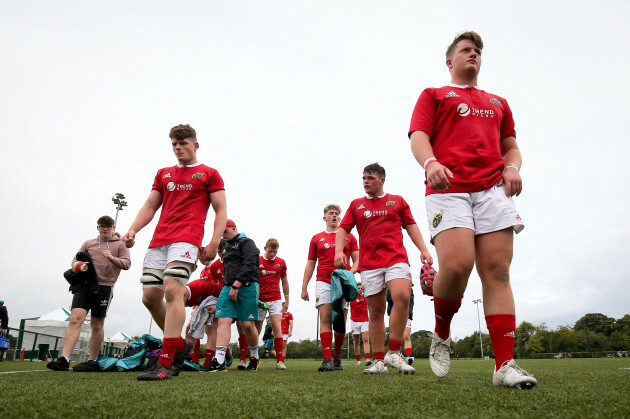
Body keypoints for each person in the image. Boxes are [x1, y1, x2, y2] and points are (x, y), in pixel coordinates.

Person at [408, 31, 537, 389]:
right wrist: (430, 162)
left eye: (478, 51)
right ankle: (442, 331)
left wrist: (513, 167)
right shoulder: (434, 95)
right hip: (448, 188)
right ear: (450, 61)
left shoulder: (498, 102)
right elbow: (419, 135)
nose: (473, 54)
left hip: (493, 190)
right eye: (466, 50)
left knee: (497, 270)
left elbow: (511, 146)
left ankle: (504, 365)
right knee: (458, 264)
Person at [123, 124, 227, 381]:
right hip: (159, 241)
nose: (178, 148)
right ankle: (179, 345)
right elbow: (150, 205)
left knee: (172, 289)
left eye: (183, 143)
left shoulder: (209, 173)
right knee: (149, 297)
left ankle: (166, 361)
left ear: (195, 145)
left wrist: (214, 242)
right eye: (174, 144)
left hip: (187, 240)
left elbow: (221, 210)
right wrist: (133, 229)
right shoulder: (163, 174)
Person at [335, 163, 433, 375]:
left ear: (382, 179)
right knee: (376, 311)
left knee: (402, 296)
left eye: (370, 177)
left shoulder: (397, 201)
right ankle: (379, 361)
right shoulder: (356, 204)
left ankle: (395, 353)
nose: (366, 181)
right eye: (363, 178)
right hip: (369, 263)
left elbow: (411, 226)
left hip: (396, 258)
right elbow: (343, 229)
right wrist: (338, 251)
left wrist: (423, 249)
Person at [47, 215, 131, 372]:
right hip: (84, 285)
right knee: (75, 319)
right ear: (97, 227)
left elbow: (127, 264)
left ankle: (92, 360)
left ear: (113, 227)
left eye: (108, 225)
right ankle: (64, 359)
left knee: (97, 324)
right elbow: (74, 261)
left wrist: (111, 258)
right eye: (102, 225)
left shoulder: (120, 244)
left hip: (105, 287)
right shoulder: (88, 243)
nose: (105, 228)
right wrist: (79, 266)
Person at [302, 204, 359, 372]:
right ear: (325, 217)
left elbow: (358, 261)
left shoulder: (349, 237)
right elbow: (310, 264)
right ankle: (326, 359)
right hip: (323, 282)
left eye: (336, 214)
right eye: (331, 213)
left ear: (340, 218)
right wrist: (304, 287)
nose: (334, 216)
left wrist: (349, 274)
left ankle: (337, 358)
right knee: (326, 318)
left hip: (343, 283)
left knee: (340, 322)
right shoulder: (316, 238)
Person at [204, 219, 261, 372]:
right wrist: (230, 285)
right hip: (228, 287)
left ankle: (254, 357)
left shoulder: (247, 242)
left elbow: (251, 263)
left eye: (225, 231)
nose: (223, 234)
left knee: (247, 325)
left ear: (233, 228)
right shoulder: (226, 247)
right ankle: (219, 360)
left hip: (247, 286)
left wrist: (237, 285)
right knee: (223, 320)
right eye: (220, 232)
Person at [183, 239, 227, 368]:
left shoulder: (217, 265)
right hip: (203, 301)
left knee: (211, 328)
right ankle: (192, 357)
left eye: (200, 255)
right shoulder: (203, 271)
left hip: (215, 299)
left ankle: (217, 356)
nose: (199, 258)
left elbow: (215, 287)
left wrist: (217, 303)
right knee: (191, 327)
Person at [255, 238, 290, 370]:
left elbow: (285, 281)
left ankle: (280, 361)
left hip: (275, 299)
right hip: (260, 299)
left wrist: (287, 300)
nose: (272, 254)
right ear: (265, 248)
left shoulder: (281, 262)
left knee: (276, 327)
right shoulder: (257, 260)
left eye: (275, 252)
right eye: (270, 251)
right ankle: (254, 358)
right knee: (256, 328)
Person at [387, 287, 415, 364]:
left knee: (406, 336)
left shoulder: (409, 289)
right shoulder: (390, 288)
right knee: (394, 336)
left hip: (406, 314)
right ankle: (394, 355)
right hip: (394, 314)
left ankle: (408, 356)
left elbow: (410, 301)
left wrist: (408, 312)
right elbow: (389, 299)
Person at [350, 283, 371, 366]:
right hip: (354, 321)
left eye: (361, 288)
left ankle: (367, 359)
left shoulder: (366, 297)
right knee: (356, 341)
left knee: (365, 339)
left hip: (364, 321)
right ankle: (358, 360)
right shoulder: (351, 297)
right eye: (358, 288)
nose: (360, 289)